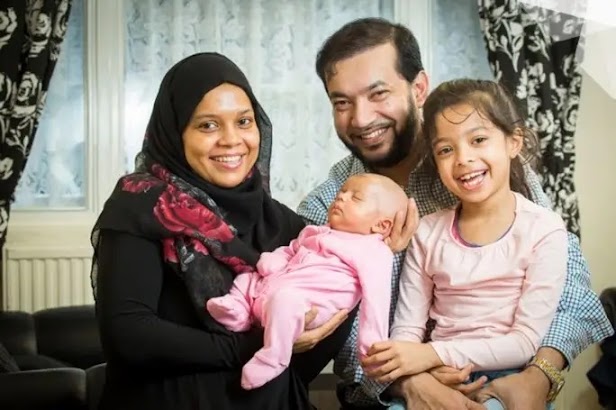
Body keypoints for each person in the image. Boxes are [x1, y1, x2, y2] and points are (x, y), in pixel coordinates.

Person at [297, 17, 614, 410]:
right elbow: (339, 332)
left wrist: (538, 376)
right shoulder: (328, 206)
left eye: (378, 94)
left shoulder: (485, 171)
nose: (361, 119)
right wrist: (409, 383)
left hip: (504, 382)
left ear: (418, 89)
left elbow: (571, 289)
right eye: (342, 102)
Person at [90, 52, 354, 410]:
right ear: (175, 132)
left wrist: (377, 248)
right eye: (208, 125)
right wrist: (259, 345)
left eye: (243, 121)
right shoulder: (140, 207)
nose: (232, 140)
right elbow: (129, 336)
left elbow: (312, 342)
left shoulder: (281, 223)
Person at [365, 79, 568, 410]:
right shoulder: (427, 232)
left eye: (478, 140)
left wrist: (429, 353)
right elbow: (407, 328)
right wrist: (422, 373)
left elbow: (525, 342)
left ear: (513, 142)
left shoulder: (545, 230)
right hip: (436, 374)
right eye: (446, 149)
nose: (463, 158)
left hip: (509, 381)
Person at [207, 173, 407, 390]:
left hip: (309, 304)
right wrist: (273, 261)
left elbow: (376, 297)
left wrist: (372, 346)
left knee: (285, 301)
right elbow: (292, 249)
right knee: (248, 277)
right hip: (277, 288)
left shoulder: (373, 252)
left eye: (355, 198)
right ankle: (238, 311)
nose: (341, 198)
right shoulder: (317, 230)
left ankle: (273, 358)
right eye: (341, 193)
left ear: (381, 225)